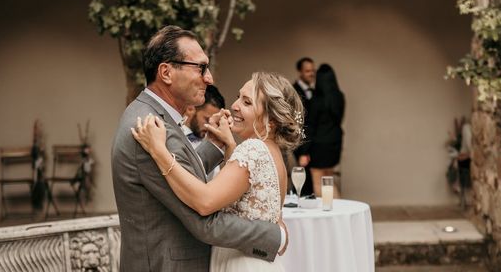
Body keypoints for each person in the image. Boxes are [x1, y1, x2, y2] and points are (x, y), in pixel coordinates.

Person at [111, 26, 286, 272]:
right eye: (201, 67)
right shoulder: (150, 128)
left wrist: (214, 145)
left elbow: (182, 175)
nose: (209, 78)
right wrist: (275, 235)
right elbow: (204, 220)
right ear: (166, 72)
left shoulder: (151, 116)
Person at [133, 71, 304, 272]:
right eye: (238, 97)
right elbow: (243, 194)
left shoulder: (254, 150)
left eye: (247, 102)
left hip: (240, 263)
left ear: (271, 121)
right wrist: (229, 144)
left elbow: (205, 202)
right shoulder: (273, 153)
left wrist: (159, 152)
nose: (234, 106)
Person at [306, 63, 344, 198]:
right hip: (335, 143)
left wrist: (304, 150)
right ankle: (338, 212)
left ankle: (331, 213)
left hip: (319, 145)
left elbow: (310, 126)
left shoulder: (316, 100)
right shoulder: (339, 97)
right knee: (328, 179)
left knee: (318, 182)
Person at [292, 57, 315, 196]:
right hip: (302, 144)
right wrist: (303, 151)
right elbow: (298, 123)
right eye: (307, 71)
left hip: (311, 144)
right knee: (302, 182)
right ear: (300, 72)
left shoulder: (314, 91)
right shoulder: (295, 92)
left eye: (313, 71)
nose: (311, 74)